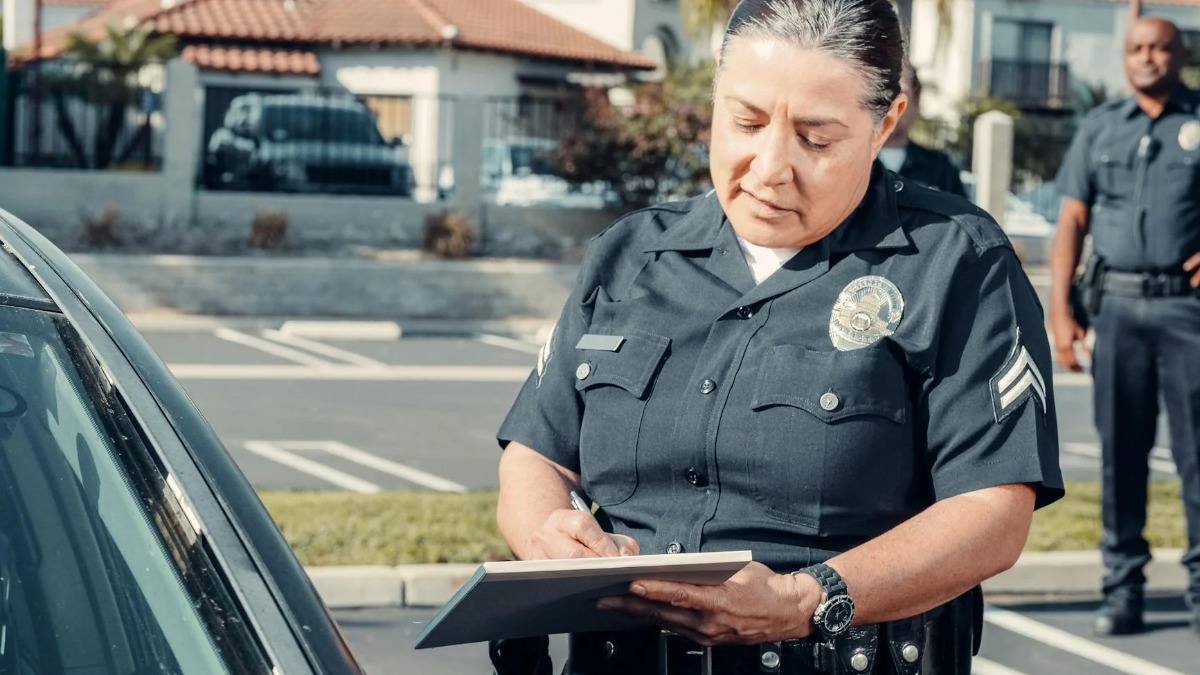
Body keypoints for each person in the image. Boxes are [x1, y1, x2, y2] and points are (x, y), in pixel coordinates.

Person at [496, 0, 1063, 672]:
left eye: (815, 139)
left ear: (886, 123)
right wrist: (548, 536)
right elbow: (537, 454)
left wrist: (806, 596)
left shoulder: (956, 263)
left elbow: (993, 510)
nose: (770, 167)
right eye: (746, 121)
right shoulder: (629, 255)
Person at [1050, 16, 1200, 638]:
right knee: (1121, 458)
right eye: (1136, 48)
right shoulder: (1101, 124)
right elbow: (1071, 221)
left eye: (1159, 47)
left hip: (1188, 314)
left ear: (1181, 53)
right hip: (1117, 312)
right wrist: (1059, 312)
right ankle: (1122, 589)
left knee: (1197, 459)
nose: (1147, 57)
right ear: (1124, 56)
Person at [878, 61, 967, 197]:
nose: (892, 103)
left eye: (900, 93)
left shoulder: (941, 170)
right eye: (885, 91)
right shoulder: (850, 164)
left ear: (917, 103)